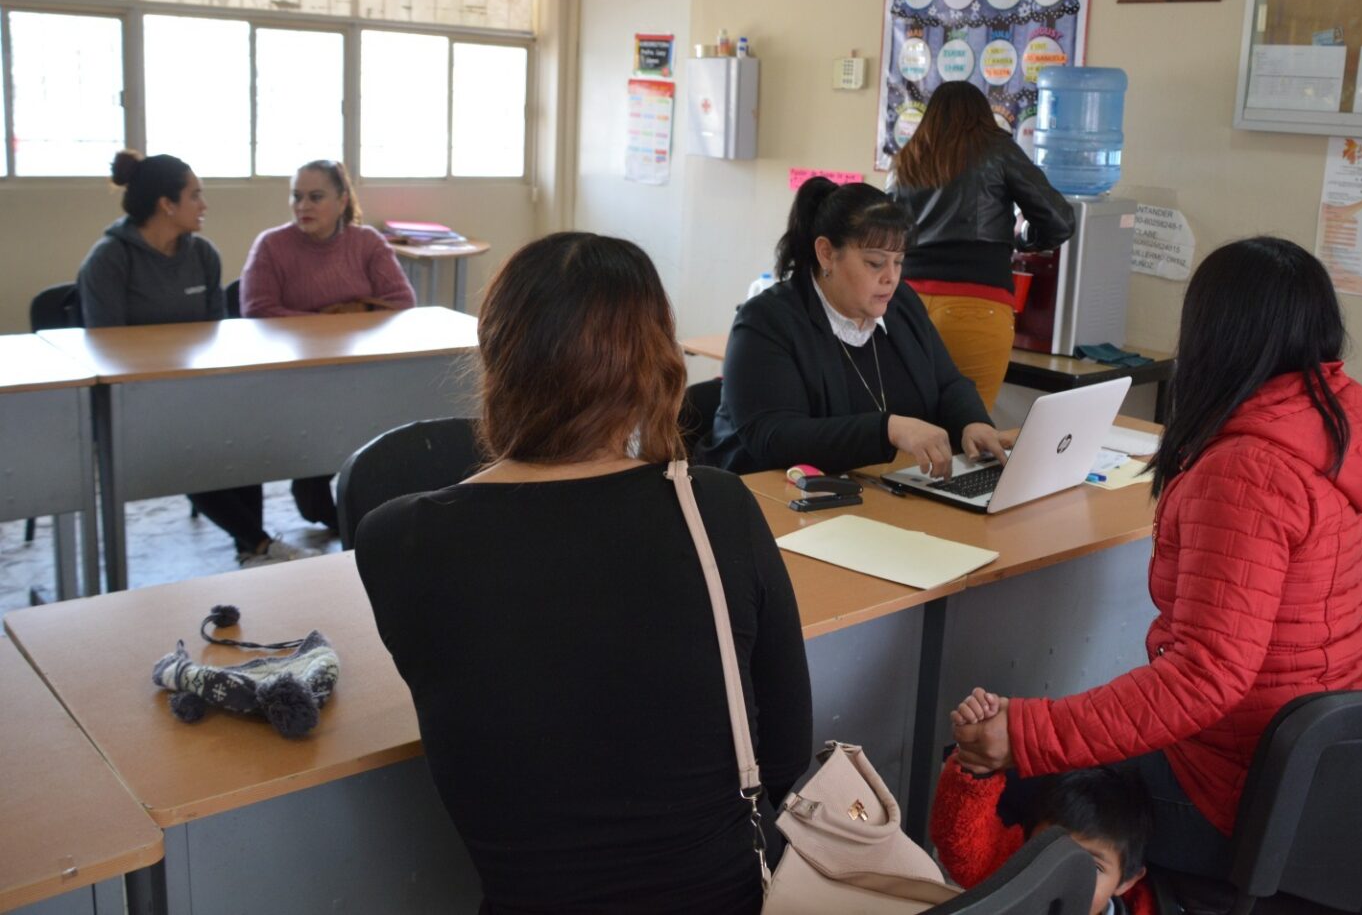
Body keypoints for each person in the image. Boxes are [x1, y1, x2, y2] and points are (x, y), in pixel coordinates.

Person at [355, 232, 813, 915]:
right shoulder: (715, 508)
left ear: (496, 357)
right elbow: (785, 759)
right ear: (653, 365)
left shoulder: (397, 538)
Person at [948, 236, 1362, 878]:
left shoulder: (1247, 471)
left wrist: (1023, 733)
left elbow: (1204, 677)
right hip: (1324, 759)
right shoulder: (1330, 421)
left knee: (1008, 783)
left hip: (1242, 790)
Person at [77, 150, 320, 568]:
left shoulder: (203, 255)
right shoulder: (109, 260)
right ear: (166, 204)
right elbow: (108, 350)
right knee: (190, 450)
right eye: (195, 195)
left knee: (243, 434)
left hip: (195, 391)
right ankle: (258, 544)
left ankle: (252, 549)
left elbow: (214, 337)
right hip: (133, 401)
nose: (204, 205)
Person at [696, 177, 1010, 477]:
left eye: (898, 261)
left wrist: (972, 423)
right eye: (875, 263)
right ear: (826, 254)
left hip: (880, 488)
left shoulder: (902, 304)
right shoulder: (766, 320)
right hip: (770, 494)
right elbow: (774, 436)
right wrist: (888, 430)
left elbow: (949, 384)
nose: (891, 278)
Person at [239, 160, 416, 532]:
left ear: (342, 201)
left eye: (315, 197)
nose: (303, 206)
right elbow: (257, 311)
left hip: (360, 371)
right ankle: (317, 487)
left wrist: (340, 316)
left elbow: (402, 302)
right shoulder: (271, 245)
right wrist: (336, 319)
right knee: (316, 484)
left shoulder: (367, 242)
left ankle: (374, 508)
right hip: (296, 376)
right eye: (296, 196)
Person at [889, 80, 1074, 410]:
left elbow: (883, 231)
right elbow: (1059, 220)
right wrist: (1021, 239)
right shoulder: (998, 150)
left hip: (904, 304)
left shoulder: (906, 158)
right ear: (982, 115)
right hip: (976, 304)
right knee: (969, 428)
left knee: (905, 424)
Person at [930, 761, 1156, 915]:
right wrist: (976, 764)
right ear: (1027, 843)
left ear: (1126, 882)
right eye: (1049, 852)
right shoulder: (1013, 878)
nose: (1064, 878)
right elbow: (961, 842)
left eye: (1093, 867)